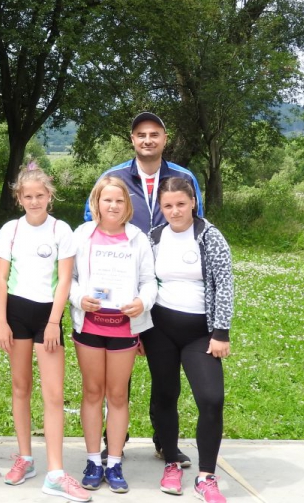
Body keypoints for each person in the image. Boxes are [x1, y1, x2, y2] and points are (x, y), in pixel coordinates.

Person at [83, 111, 203, 467]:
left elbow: (196, 224)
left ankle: (165, 442)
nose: (147, 140)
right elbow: (91, 225)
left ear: (165, 138)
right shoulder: (114, 178)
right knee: (115, 376)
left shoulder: (183, 178)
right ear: (132, 140)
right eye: (141, 134)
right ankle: (113, 442)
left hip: (165, 291)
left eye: (154, 134)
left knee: (164, 375)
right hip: (120, 294)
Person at [0, 165, 90, 502]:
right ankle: (25, 458)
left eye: (40, 195)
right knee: (20, 388)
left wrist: (52, 322)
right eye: (28, 196)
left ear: (50, 195)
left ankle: (56, 473)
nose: (34, 201)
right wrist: (1, 321)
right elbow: (1, 279)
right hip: (16, 315)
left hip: (47, 317)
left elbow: (64, 281)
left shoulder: (61, 230)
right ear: (19, 198)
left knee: (53, 394)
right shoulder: (10, 230)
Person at [142, 178, 233, 503]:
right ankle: (170, 461)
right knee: (165, 395)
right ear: (161, 208)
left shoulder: (209, 236)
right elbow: (144, 282)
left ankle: (206, 477)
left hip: (200, 334)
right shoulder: (154, 237)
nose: (175, 211)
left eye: (181, 204)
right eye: (168, 206)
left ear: (193, 202)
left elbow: (224, 284)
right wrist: (139, 329)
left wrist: (221, 332)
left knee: (211, 399)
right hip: (160, 331)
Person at [69, 177, 156, 494]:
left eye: (119, 200)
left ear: (127, 205)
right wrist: (78, 298)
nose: (113, 206)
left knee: (118, 395)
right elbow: (68, 277)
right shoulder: (82, 235)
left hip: (123, 327)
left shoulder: (138, 239)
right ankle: (94, 461)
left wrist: (142, 302)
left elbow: (149, 281)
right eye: (107, 200)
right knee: (93, 392)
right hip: (90, 326)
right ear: (97, 203)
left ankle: (115, 462)